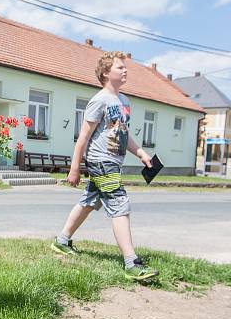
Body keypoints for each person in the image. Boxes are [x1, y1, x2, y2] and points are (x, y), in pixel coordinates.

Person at [50, 51, 158, 281]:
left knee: (89, 201)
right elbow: (83, 137)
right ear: (106, 73)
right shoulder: (99, 100)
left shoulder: (125, 102)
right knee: (120, 203)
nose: (125, 70)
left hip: (114, 161)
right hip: (101, 160)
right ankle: (132, 263)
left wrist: (141, 153)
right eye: (120, 68)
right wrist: (74, 167)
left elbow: (123, 134)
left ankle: (61, 241)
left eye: (125, 67)